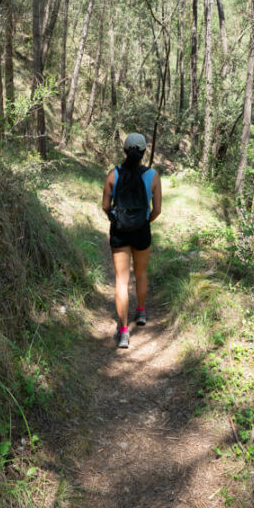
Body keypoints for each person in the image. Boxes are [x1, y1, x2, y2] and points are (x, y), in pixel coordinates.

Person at [101, 132, 162, 349]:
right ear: (144, 152)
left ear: (125, 151)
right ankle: (142, 311)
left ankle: (124, 331)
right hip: (142, 230)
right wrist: (145, 221)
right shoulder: (153, 176)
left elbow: (106, 205)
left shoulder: (113, 174)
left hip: (120, 231)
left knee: (121, 281)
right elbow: (157, 210)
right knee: (142, 273)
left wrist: (114, 218)